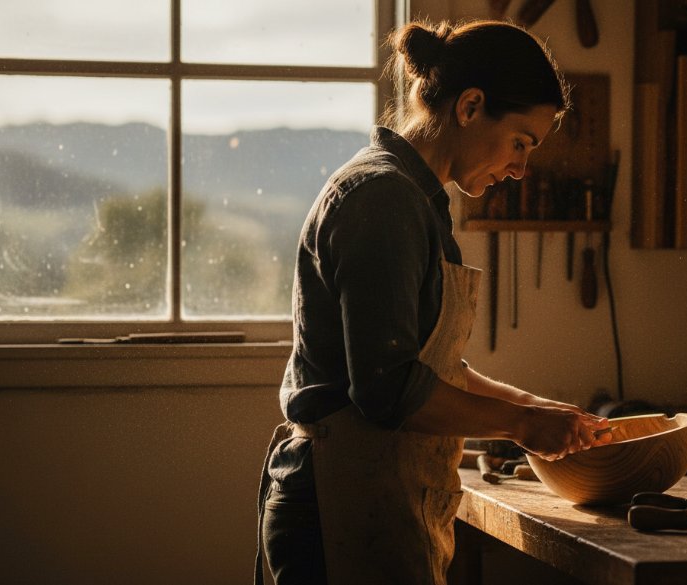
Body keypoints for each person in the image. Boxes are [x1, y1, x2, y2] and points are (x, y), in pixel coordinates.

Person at [255, 18, 613, 585]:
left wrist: (539, 409)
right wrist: (520, 424)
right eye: (521, 142)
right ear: (470, 106)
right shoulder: (383, 198)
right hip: (339, 502)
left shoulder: (418, 201)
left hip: (380, 493)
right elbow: (389, 390)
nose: (521, 168)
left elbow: (429, 368)